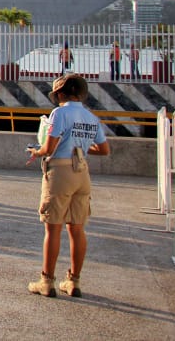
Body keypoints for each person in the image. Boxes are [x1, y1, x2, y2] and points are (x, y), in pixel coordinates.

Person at [26, 74, 110, 297]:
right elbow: (103, 150)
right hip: (82, 171)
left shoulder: (59, 113)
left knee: (53, 227)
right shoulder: (91, 117)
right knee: (77, 228)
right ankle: (73, 281)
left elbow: (48, 147)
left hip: (61, 171)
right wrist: (80, 149)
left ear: (60, 94)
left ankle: (46, 281)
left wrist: (36, 151)